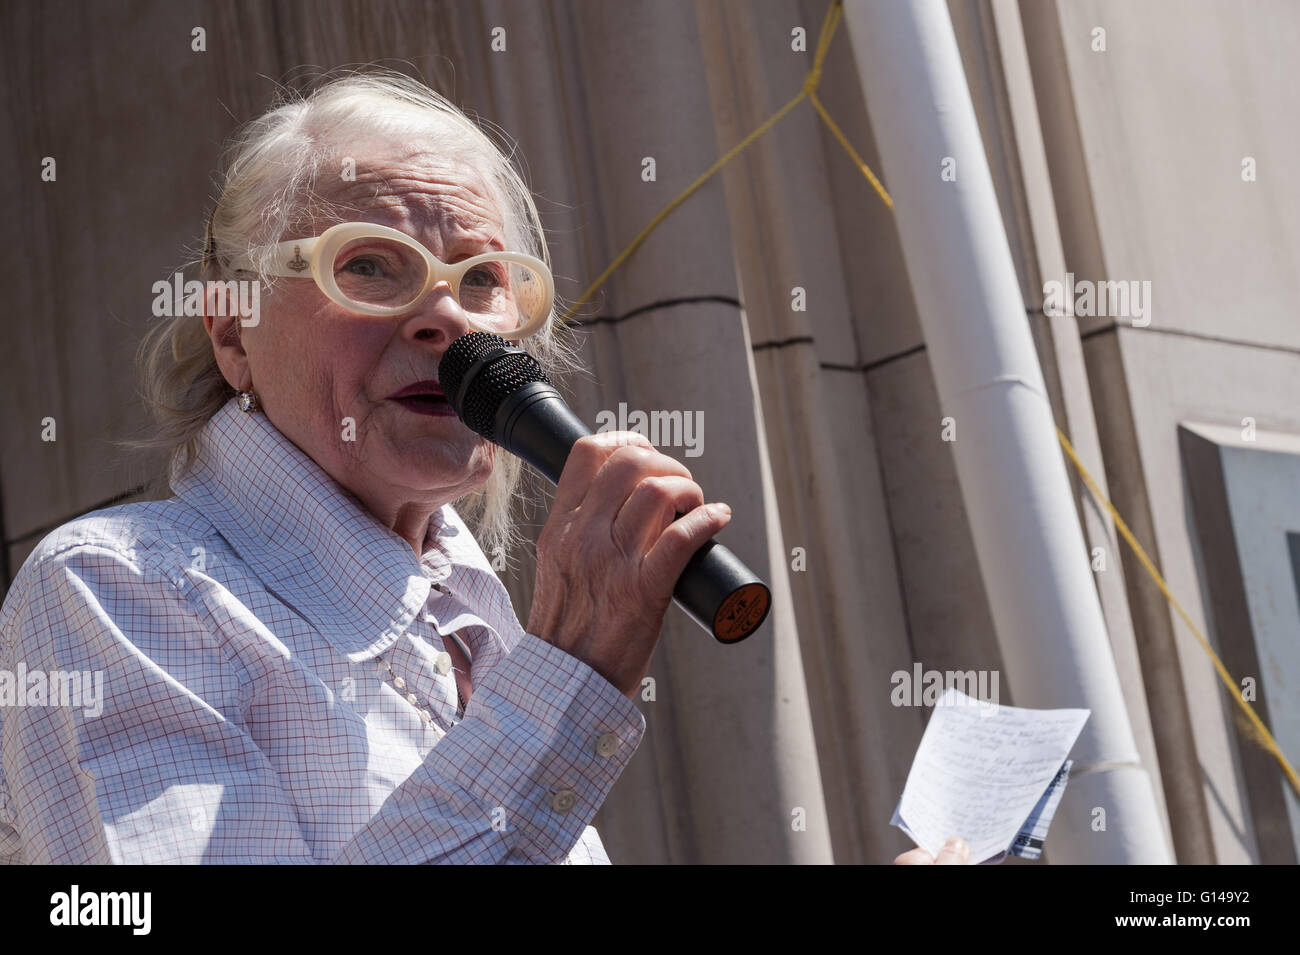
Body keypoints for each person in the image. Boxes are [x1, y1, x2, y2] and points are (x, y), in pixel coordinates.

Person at [0, 71, 966, 865]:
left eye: (480, 278)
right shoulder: (117, 588)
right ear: (233, 333)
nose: (446, 317)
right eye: (370, 263)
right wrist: (568, 676)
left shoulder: (478, 627)